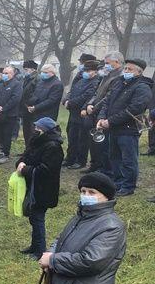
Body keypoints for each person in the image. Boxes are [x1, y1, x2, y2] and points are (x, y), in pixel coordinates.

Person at [97, 58, 152, 196]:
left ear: (139, 72)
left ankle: (128, 186)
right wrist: (101, 118)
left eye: (130, 69)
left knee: (128, 159)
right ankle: (118, 182)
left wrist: (110, 121)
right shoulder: (119, 83)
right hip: (113, 128)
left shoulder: (142, 87)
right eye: (125, 68)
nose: (126, 71)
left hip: (128, 129)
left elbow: (134, 109)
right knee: (114, 157)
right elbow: (107, 102)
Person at [16, 117, 64, 258]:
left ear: (45, 130)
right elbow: (26, 156)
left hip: (43, 189)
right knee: (33, 217)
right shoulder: (36, 142)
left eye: (38, 128)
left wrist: (25, 170)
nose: (35, 130)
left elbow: (46, 170)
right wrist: (20, 163)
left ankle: (40, 250)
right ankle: (34, 245)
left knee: (38, 218)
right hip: (33, 187)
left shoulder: (53, 147)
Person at [85, 51, 124, 173]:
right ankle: (96, 164)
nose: (105, 65)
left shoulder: (119, 76)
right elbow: (97, 92)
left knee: (104, 143)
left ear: (116, 62)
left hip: (105, 113)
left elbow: (108, 97)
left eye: (107, 63)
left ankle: (105, 168)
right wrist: (89, 104)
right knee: (95, 142)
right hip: (95, 111)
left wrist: (95, 108)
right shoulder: (107, 75)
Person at [62, 60, 101, 170]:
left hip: (83, 114)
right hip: (73, 113)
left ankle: (80, 161)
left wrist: (71, 103)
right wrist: (66, 100)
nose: (86, 73)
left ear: (95, 71)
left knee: (82, 139)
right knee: (72, 136)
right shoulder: (81, 80)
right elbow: (72, 91)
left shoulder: (96, 82)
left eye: (88, 71)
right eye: (85, 70)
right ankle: (70, 158)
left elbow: (87, 96)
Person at [0, 65, 23, 164]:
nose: (4, 75)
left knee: (7, 134)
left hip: (10, 114)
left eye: (6, 73)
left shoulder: (17, 84)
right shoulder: (0, 84)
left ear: (12, 74)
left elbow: (15, 99)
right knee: (0, 134)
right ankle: (1, 150)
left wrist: (4, 108)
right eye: (3, 73)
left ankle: (6, 154)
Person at [19, 60, 40, 146]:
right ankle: (27, 148)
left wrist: (28, 104)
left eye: (26, 69)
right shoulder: (27, 79)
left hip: (31, 109)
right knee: (26, 131)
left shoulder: (37, 79)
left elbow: (36, 94)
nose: (25, 71)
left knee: (31, 132)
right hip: (25, 109)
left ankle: (31, 149)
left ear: (33, 69)